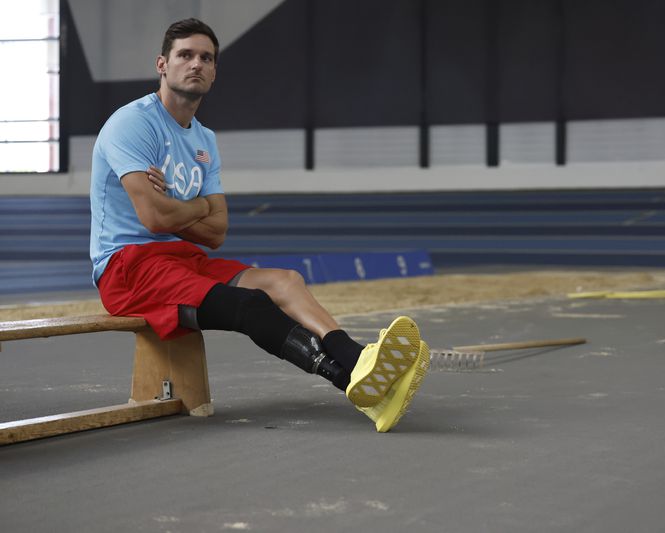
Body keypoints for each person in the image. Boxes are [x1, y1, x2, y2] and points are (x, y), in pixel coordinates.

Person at [89, 18, 429, 432]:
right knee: (250, 305)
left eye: (206, 58)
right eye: (185, 55)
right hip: (128, 268)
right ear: (162, 64)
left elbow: (217, 233)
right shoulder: (133, 124)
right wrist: (199, 205)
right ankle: (350, 383)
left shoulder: (204, 140)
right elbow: (155, 218)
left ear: (214, 72)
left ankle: (360, 361)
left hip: (182, 257)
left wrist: (179, 204)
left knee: (284, 280)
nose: (195, 64)